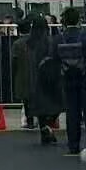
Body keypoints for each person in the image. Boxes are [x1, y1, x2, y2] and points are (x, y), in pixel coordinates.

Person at [55, 8, 86, 153]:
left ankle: (73, 145)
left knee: (72, 112)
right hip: (85, 77)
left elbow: (54, 58)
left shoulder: (59, 38)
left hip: (67, 78)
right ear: (78, 20)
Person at [21, 16, 63, 146]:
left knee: (40, 108)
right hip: (48, 77)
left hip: (33, 78)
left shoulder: (28, 43)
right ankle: (48, 127)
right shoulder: (49, 41)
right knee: (55, 105)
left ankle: (44, 132)